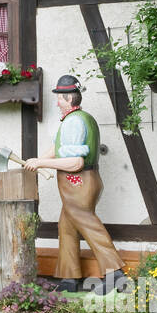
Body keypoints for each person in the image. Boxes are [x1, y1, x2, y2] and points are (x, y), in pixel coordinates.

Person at [23, 74, 123, 294]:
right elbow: (58, 148)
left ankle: (114, 273)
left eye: (60, 98)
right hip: (79, 183)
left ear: (69, 99)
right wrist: (38, 162)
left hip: (78, 183)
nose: (57, 102)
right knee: (67, 228)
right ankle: (69, 277)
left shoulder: (74, 122)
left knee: (88, 225)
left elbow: (76, 162)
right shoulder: (78, 118)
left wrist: (41, 162)